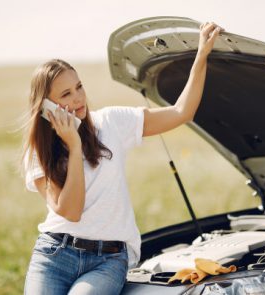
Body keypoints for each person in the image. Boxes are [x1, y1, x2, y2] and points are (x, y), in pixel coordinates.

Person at [22, 21, 223, 295]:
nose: (79, 98)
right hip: (54, 255)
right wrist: (75, 145)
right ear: (46, 107)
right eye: (66, 94)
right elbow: (71, 210)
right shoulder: (39, 150)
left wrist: (201, 56)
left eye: (79, 87)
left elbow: (180, 112)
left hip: (108, 260)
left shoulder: (111, 122)